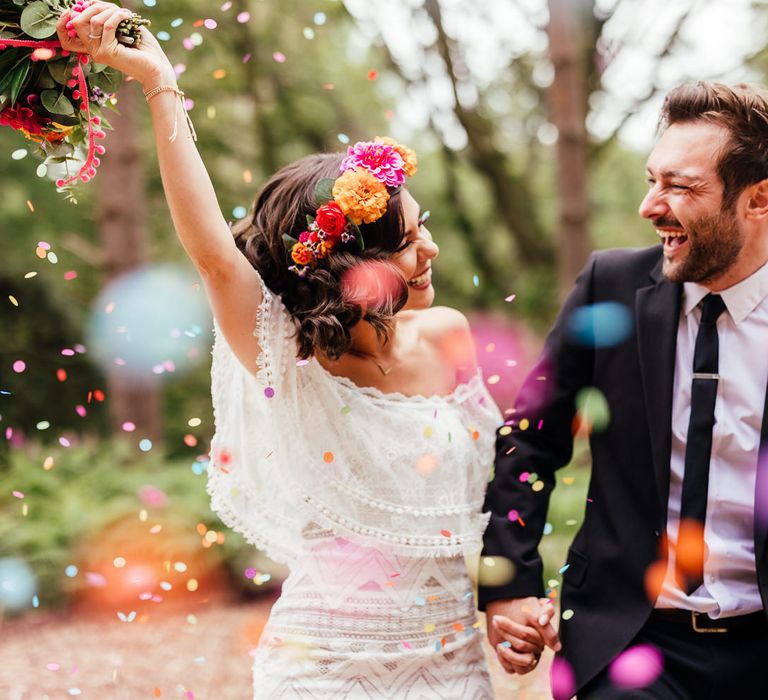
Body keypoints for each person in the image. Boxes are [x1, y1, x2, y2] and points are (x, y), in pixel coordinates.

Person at [55, 3, 555, 697]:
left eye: (424, 226)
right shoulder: (290, 359)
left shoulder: (451, 337)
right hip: (324, 667)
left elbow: (515, 477)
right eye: (410, 242)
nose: (432, 248)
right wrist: (157, 78)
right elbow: (211, 255)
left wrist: (516, 600)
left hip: (453, 663)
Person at [480, 80, 768, 700]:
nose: (650, 205)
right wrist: (509, 583)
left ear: (759, 199)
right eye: (651, 179)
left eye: (680, 186)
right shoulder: (608, 286)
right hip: (629, 641)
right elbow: (530, 439)